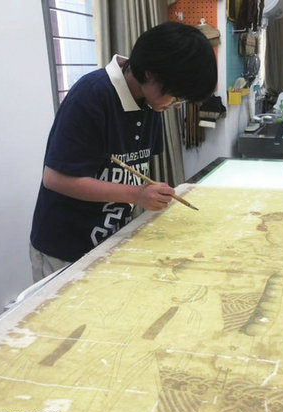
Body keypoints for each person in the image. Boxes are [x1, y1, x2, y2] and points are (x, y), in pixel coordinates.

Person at [30, 21, 217, 282]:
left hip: (110, 241)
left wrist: (148, 194)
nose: (175, 104)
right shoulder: (91, 95)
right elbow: (55, 179)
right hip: (65, 249)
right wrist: (136, 194)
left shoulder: (150, 103)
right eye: (175, 95)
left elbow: (136, 170)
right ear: (150, 74)